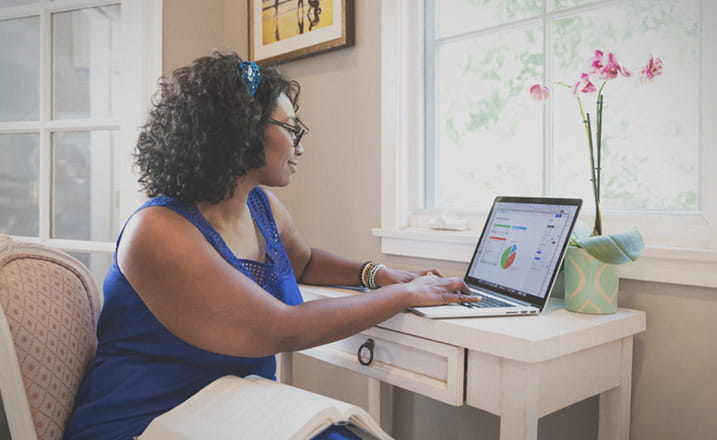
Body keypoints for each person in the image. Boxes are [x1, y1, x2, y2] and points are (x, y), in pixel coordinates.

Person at [63, 50, 479, 440]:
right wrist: (403, 294)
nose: (300, 145)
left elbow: (307, 261)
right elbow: (283, 327)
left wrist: (374, 275)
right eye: (290, 127)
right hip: (146, 420)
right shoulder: (158, 230)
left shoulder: (261, 206)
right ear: (241, 130)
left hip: (234, 408)